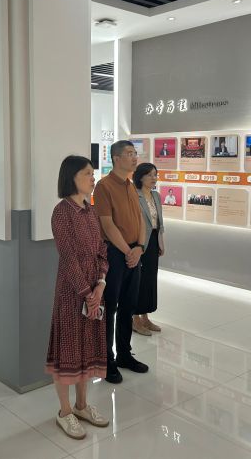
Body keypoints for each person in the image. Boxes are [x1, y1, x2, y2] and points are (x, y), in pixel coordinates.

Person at [47, 155, 111, 440]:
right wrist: (87, 293)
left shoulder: (90, 210)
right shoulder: (62, 212)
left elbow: (102, 251)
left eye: (92, 173)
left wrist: (100, 285)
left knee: (87, 346)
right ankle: (64, 412)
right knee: (68, 349)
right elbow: (68, 258)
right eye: (87, 173)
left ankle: (82, 405)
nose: (92, 178)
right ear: (71, 177)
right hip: (71, 292)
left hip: (94, 289)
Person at [93, 141, 150, 383]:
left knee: (128, 306)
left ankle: (125, 355)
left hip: (133, 253)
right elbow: (107, 225)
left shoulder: (131, 186)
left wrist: (139, 248)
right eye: (129, 153)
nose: (134, 157)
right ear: (116, 158)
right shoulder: (104, 186)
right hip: (115, 254)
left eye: (135, 153)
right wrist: (128, 251)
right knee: (110, 308)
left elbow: (141, 221)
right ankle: (107, 361)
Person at [133, 163, 165, 336]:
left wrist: (161, 242)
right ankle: (135, 319)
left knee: (150, 279)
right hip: (138, 242)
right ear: (141, 177)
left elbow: (159, 223)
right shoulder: (134, 195)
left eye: (155, 174)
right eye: (150, 175)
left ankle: (145, 316)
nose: (154, 178)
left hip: (153, 240)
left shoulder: (156, 195)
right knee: (137, 280)